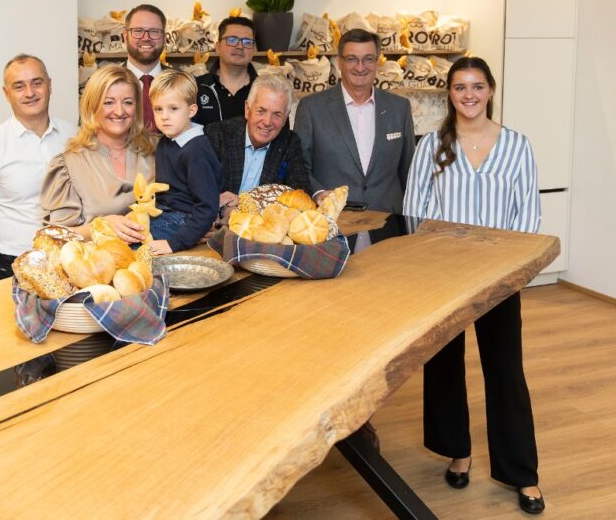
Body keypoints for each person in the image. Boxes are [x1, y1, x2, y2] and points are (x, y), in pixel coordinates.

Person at [402, 56, 545, 515]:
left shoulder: (517, 145)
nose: (469, 95)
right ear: (450, 93)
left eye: (477, 86)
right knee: (444, 366)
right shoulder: (432, 146)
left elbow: (528, 213)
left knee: (506, 372)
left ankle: (521, 473)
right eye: (460, 87)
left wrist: (515, 270)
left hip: (498, 277)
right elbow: (414, 210)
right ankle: (457, 452)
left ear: (490, 90)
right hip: (443, 275)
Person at [294, 28, 416, 245]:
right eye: (352, 59)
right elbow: (299, 166)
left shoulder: (399, 108)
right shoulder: (311, 107)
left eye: (368, 59)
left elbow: (409, 171)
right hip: (331, 225)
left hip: (389, 226)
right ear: (339, 62)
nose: (360, 67)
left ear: (377, 61)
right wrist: (319, 193)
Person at [0, 55, 76, 284]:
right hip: (10, 264)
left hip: (67, 260)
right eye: (19, 86)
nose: (30, 92)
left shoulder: (74, 137)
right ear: (6, 93)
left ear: (50, 85)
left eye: (37, 83)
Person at [40, 64, 155, 242]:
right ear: (92, 106)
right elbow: (55, 238)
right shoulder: (70, 165)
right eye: (108, 102)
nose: (119, 111)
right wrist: (99, 226)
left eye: (128, 102)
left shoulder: (155, 150)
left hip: (160, 256)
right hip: (100, 259)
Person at [204, 75, 309, 222]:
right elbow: (196, 189)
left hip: (263, 227)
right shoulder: (216, 135)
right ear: (247, 109)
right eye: (261, 111)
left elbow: (300, 194)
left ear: (286, 118)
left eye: (277, 115)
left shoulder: (289, 142)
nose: (267, 122)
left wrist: (246, 202)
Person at [143, 69, 222, 253]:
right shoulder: (165, 141)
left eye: (173, 108)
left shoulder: (197, 151)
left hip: (185, 219)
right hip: (162, 211)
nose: (164, 116)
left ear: (191, 110)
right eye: (158, 109)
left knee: (136, 240)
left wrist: (174, 244)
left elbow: (207, 208)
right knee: (126, 227)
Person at [195, 15, 258, 126]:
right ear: (218, 47)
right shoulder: (195, 88)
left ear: (253, 50)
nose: (240, 46)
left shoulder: (267, 90)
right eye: (232, 40)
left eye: (247, 42)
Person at [123, 3, 168, 133]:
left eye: (154, 31)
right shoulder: (105, 83)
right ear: (125, 36)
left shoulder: (184, 82)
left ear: (164, 38)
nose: (146, 38)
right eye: (138, 31)